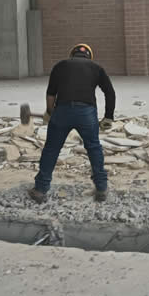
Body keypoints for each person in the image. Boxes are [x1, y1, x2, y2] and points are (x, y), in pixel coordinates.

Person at [29, 43, 115, 204]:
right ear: (89, 56)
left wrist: (50, 112)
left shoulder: (60, 66)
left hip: (62, 111)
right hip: (86, 113)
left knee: (51, 149)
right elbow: (110, 92)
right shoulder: (96, 67)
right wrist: (108, 117)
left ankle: (40, 189)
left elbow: (51, 93)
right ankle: (102, 188)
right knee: (94, 147)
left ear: (72, 55)